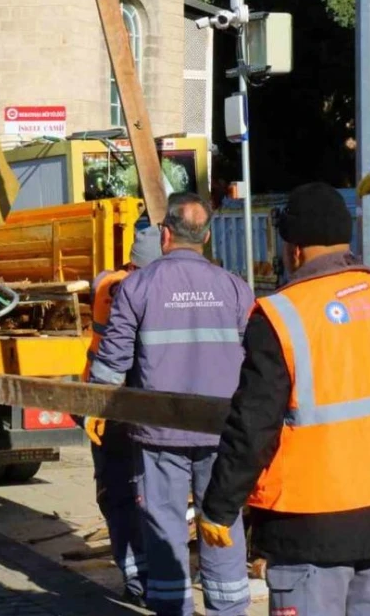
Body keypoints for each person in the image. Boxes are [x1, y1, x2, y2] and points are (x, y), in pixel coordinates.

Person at [198, 183, 370, 616]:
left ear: (295, 251)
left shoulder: (281, 317)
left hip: (311, 522)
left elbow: (253, 424)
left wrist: (218, 506)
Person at [90, 193, 254, 616]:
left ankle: (171, 607)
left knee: (163, 523)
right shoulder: (235, 287)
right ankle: (229, 608)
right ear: (208, 235)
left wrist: (94, 408)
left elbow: (113, 363)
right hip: (220, 429)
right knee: (220, 518)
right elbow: (256, 360)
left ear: (165, 234)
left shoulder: (138, 286)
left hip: (159, 432)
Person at [80, 225, 162, 606]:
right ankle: (150, 576)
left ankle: (135, 574)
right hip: (139, 406)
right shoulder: (154, 289)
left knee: (117, 494)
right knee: (148, 492)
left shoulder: (106, 284)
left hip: (104, 404)